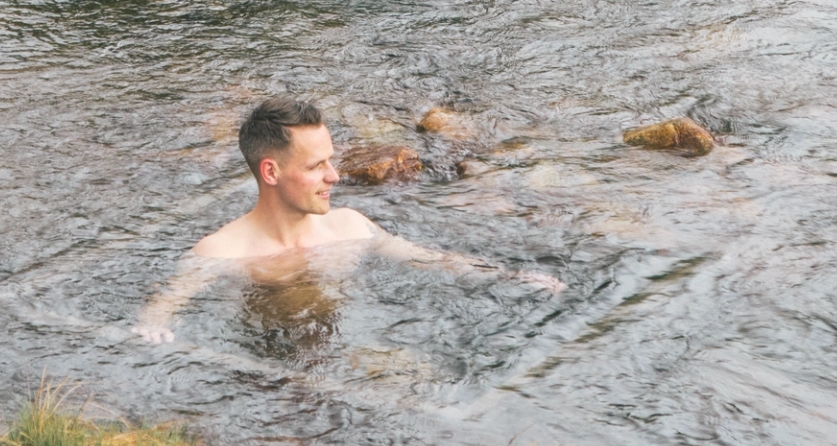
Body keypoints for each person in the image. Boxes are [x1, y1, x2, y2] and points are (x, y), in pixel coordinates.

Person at [133, 99, 556, 343]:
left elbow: (430, 259)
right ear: (271, 173)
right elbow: (168, 301)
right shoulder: (222, 251)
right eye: (317, 165)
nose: (335, 175)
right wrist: (154, 328)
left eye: (331, 160)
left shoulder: (350, 226)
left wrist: (510, 277)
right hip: (265, 365)